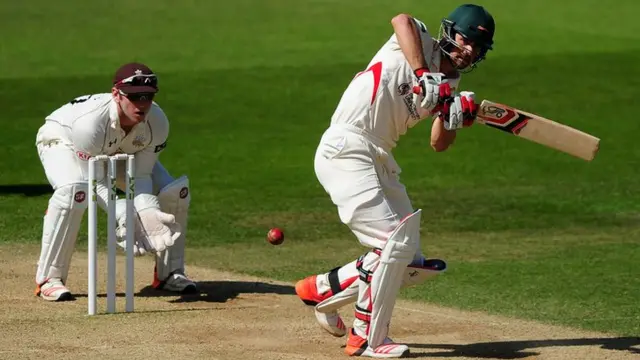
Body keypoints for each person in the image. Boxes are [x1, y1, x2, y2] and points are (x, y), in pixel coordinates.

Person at [294, 4, 495, 358]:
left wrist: (454, 117)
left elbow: (438, 144)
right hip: (346, 145)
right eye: (466, 40)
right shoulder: (418, 41)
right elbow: (400, 19)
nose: (469, 51)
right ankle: (368, 338)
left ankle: (323, 290)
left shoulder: (452, 82)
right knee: (392, 246)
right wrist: (422, 73)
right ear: (450, 31)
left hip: (381, 156)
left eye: (478, 48)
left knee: (411, 262)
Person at [34, 62, 197, 302]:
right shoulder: (89, 125)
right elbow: (94, 179)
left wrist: (147, 209)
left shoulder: (157, 122)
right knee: (74, 192)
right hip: (64, 142)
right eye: (134, 97)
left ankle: (169, 274)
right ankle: (49, 278)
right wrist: (121, 211)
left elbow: (140, 175)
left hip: (119, 148)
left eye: (147, 97)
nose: (141, 104)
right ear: (116, 95)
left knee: (174, 192)